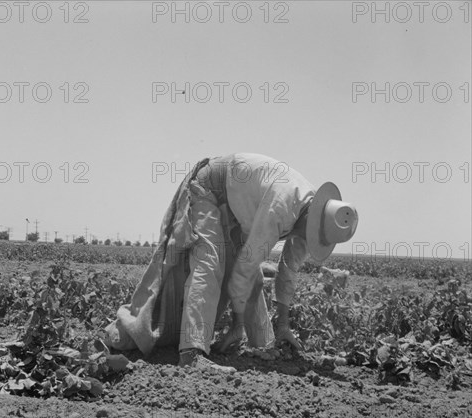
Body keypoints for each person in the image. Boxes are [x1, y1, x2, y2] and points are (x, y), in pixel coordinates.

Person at [105, 153, 358, 369]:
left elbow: (287, 271)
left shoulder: (312, 223)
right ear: (311, 218)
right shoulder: (282, 204)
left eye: (315, 239)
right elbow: (245, 268)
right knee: (209, 261)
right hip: (209, 188)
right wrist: (237, 325)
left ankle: (267, 347)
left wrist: (283, 326)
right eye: (310, 233)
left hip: (237, 208)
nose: (307, 239)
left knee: (256, 281)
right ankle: (191, 353)